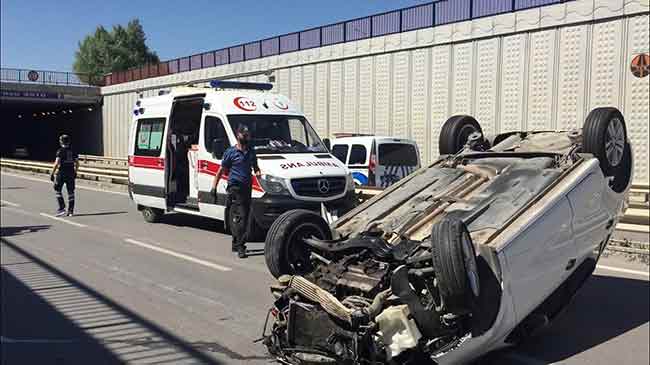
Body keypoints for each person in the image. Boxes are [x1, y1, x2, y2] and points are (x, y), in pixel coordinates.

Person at [212, 125, 261, 258]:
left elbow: (256, 168)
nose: (247, 137)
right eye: (244, 135)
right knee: (243, 218)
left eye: (248, 135)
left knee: (238, 218)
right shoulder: (231, 152)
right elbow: (221, 170)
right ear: (238, 135)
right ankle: (241, 246)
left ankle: (235, 241)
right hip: (235, 188)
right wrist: (213, 187)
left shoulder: (251, 152)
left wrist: (260, 176)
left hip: (247, 188)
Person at [50, 134, 79, 217]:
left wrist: (52, 173)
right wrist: (75, 171)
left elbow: (57, 163)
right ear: (69, 141)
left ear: (61, 141)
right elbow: (77, 163)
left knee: (57, 189)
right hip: (71, 173)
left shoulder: (60, 151)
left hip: (62, 173)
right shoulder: (73, 151)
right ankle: (71, 211)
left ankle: (62, 208)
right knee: (71, 192)